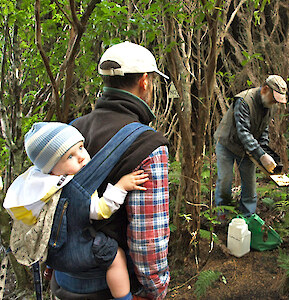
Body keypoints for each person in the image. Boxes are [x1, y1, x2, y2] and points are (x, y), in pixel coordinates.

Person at [52, 41, 170, 300]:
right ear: (145, 82)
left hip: (63, 280)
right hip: (113, 287)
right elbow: (147, 239)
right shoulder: (149, 145)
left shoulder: (71, 132)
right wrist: (155, 289)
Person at [4, 122, 150, 300]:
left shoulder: (40, 189)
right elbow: (101, 210)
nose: (81, 157)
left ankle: (49, 270)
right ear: (51, 169)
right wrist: (121, 186)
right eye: (70, 157)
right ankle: (124, 297)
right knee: (116, 257)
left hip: (55, 254)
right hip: (78, 252)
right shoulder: (77, 187)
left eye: (81, 148)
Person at [214, 75, 287, 217]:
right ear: (265, 89)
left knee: (250, 184)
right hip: (227, 143)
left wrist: (264, 149)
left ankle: (247, 218)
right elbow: (243, 132)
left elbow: (263, 128)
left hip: (248, 148)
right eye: (274, 98)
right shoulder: (244, 100)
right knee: (225, 180)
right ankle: (222, 218)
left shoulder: (270, 105)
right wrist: (261, 154)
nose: (274, 102)